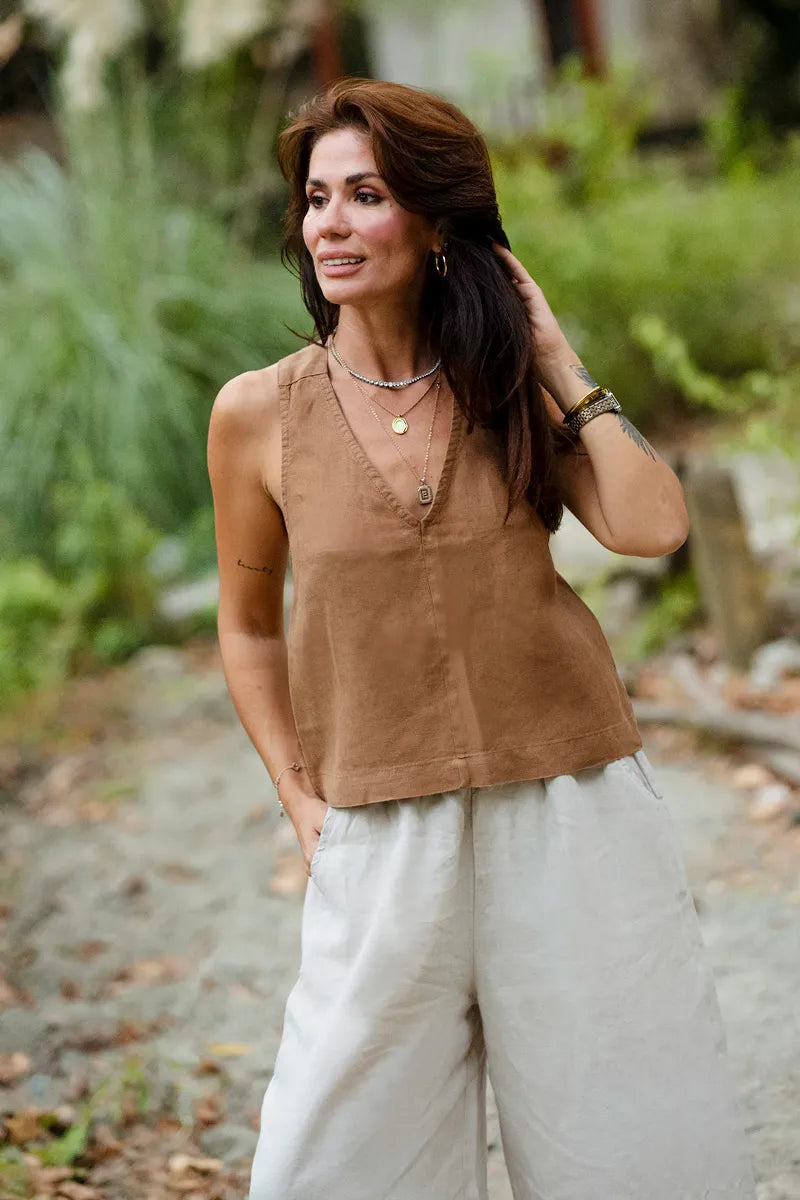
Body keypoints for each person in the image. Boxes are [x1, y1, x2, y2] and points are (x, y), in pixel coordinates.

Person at [207, 77, 756, 1200]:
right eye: (317, 198)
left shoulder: (504, 381)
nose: (330, 223)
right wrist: (302, 804)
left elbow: (651, 526)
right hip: (375, 823)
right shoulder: (259, 412)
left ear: (436, 221)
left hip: (570, 806)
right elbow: (247, 629)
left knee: (627, 1144)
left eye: (366, 194)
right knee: (336, 1155)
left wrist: (553, 355)